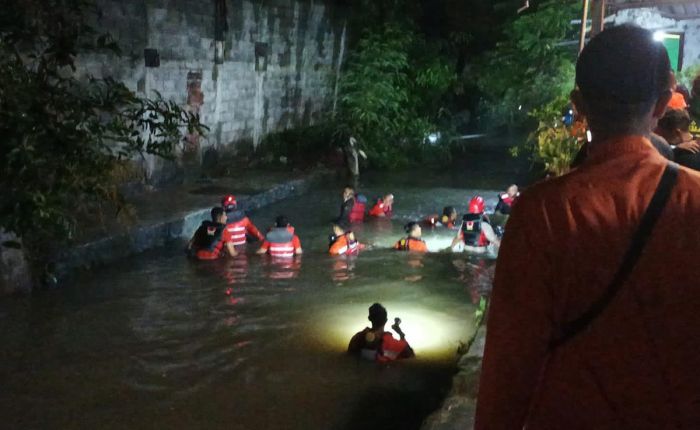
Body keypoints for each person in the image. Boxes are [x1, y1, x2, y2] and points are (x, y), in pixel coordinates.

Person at [475, 25, 700, 429]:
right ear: (664, 102)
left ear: (578, 104)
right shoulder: (695, 200)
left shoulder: (541, 214)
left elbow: (507, 371)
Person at [347, 303, 415, 362]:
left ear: (369, 318)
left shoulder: (357, 338)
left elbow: (349, 356)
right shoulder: (389, 342)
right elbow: (410, 355)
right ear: (386, 320)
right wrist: (401, 334)